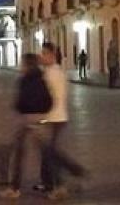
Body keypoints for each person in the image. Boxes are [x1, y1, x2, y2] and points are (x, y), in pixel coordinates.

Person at [0, 53, 53, 200]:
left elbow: (20, 101)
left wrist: (21, 108)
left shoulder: (23, 80)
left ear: (27, 65)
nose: (20, 66)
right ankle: (52, 187)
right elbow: (49, 100)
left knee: (18, 153)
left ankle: (14, 188)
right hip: (40, 118)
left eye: (22, 64)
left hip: (26, 119)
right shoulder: (42, 78)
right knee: (45, 153)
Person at [39, 41, 87, 200]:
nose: (42, 56)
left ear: (52, 55)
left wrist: (42, 116)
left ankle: (63, 182)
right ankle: (49, 183)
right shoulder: (54, 71)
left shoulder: (53, 73)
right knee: (48, 152)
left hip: (54, 118)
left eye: (44, 53)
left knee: (51, 153)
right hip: (55, 117)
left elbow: (51, 97)